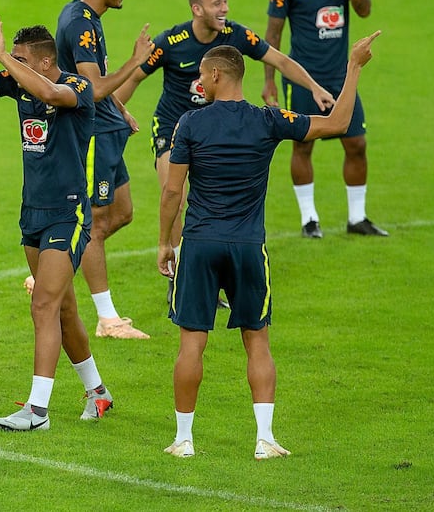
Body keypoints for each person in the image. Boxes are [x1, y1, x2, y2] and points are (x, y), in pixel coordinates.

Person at [157, 32, 380, 459]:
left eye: (202, 76)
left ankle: (183, 440)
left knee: (191, 344)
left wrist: (166, 242)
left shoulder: (190, 122)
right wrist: (353, 68)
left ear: (217, 75)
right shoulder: (269, 119)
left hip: (200, 243)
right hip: (247, 246)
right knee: (257, 341)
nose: (198, 83)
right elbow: (337, 123)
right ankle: (265, 439)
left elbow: (172, 192)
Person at [116, 0, 335, 303]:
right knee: (174, 191)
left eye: (225, 2)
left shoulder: (235, 35)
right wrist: (117, 112)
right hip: (172, 128)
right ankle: (178, 276)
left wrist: (314, 87)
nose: (225, 9)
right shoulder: (171, 42)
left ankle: (212, 269)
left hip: (214, 128)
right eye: (217, 4)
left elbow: (280, 60)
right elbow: (133, 78)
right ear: (197, 8)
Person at [0, 4, 114, 430]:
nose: (13, 67)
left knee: (43, 303)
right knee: (62, 309)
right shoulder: (20, 83)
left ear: (45, 61)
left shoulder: (78, 87)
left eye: (23, 61)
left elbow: (48, 94)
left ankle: (37, 411)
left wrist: (4, 57)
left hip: (68, 211)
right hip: (33, 212)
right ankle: (98, 392)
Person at [264, 0, 387, 238]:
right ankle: (309, 220)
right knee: (304, 145)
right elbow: (273, 35)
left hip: (341, 76)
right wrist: (269, 81)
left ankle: (357, 218)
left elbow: (364, 9)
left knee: (356, 143)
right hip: (304, 77)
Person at [55, 0, 155, 339]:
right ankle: (108, 319)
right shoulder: (82, 25)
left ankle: (58, 267)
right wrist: (135, 61)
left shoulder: (84, 15)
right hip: (93, 131)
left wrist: (122, 109)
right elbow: (92, 88)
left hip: (109, 125)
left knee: (123, 212)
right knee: (95, 223)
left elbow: (95, 80)